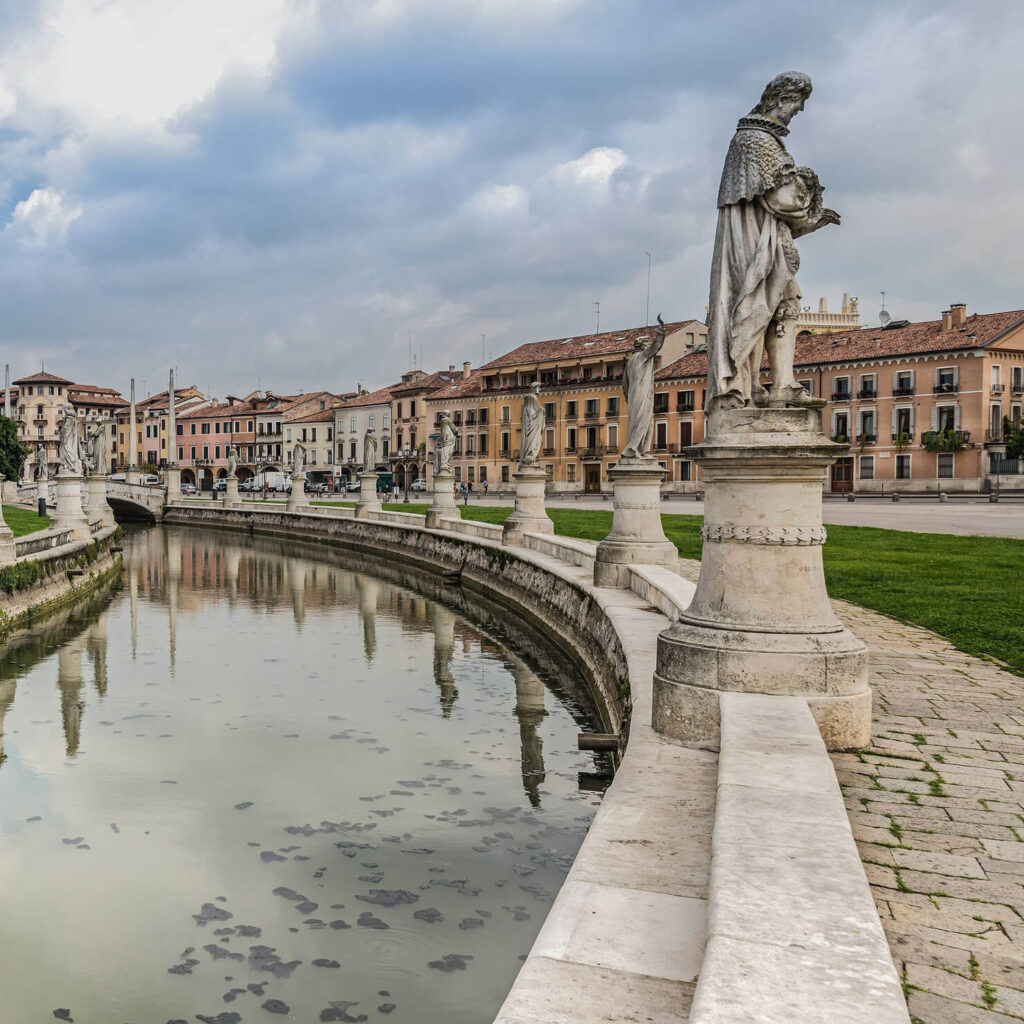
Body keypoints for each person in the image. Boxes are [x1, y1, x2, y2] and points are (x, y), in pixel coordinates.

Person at [705, 70, 839, 413]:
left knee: (784, 303)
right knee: (759, 306)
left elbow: (776, 204)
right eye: (798, 103)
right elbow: (780, 199)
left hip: (768, 239)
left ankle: (782, 384)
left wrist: (809, 217)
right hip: (752, 245)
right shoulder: (754, 139)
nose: (799, 111)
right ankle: (750, 385)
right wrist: (810, 198)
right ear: (781, 98)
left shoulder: (766, 139)